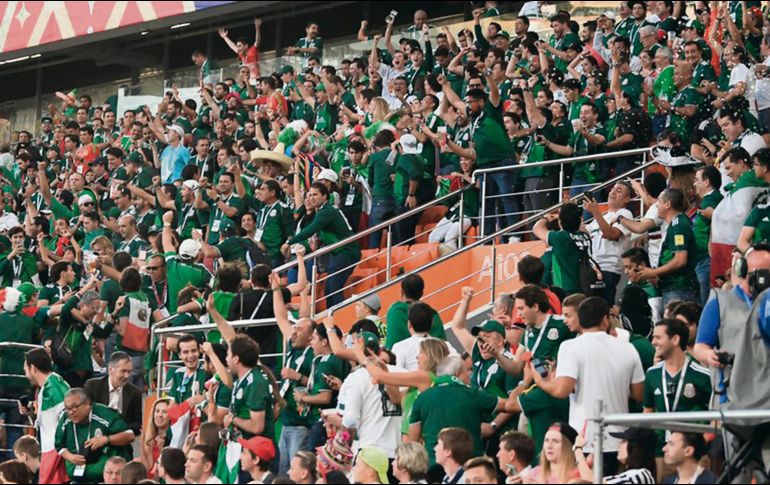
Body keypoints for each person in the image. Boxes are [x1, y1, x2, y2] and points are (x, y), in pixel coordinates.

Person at [534, 297, 644, 475]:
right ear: (605, 319)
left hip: (583, 442)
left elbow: (561, 390)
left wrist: (540, 381)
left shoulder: (570, 347)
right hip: (619, 441)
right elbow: (639, 394)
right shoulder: (628, 348)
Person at [408, 355, 506, 465]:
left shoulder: (421, 398)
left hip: (434, 466)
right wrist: (523, 384)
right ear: (458, 373)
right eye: (467, 371)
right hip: (471, 466)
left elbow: (413, 440)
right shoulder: (473, 394)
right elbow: (510, 406)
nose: (470, 374)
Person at [285, 182, 360, 308]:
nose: (311, 198)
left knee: (333, 287)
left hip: (347, 251)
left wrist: (289, 242)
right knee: (330, 288)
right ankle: (333, 316)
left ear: (325, 196)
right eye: (309, 195)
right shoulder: (323, 211)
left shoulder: (326, 211)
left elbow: (312, 229)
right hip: (339, 252)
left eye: (315, 195)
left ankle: (338, 315)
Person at [54, 388, 134, 483]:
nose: (71, 412)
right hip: (78, 474)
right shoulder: (66, 419)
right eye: (67, 408)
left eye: (74, 407)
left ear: (87, 404)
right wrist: (70, 457)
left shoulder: (105, 414)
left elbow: (130, 435)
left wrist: (106, 439)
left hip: (106, 477)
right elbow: (59, 446)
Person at [637, 188, 698, 306]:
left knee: (677, 324)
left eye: (659, 202)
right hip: (674, 287)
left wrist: (654, 272)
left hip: (680, 289)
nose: (656, 206)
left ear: (668, 204)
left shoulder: (678, 225)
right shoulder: (675, 224)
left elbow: (680, 260)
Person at [585, 182, 634, 305]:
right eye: (612, 189)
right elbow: (583, 232)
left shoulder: (625, 214)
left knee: (603, 309)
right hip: (592, 269)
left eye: (619, 191)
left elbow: (612, 234)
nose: (613, 192)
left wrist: (595, 212)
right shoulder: (601, 218)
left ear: (627, 199)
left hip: (608, 268)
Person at [533, 202, 591, 295]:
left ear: (560, 222)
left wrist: (546, 217)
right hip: (585, 286)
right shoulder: (585, 235)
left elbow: (537, 228)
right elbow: (581, 227)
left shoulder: (560, 237)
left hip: (567, 289)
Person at [84, 351, 143, 437]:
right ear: (111, 370)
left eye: (129, 372)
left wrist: (118, 433)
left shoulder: (135, 392)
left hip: (121, 441)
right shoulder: (93, 387)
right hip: (94, 437)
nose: (127, 376)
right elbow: (85, 414)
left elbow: (137, 423)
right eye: (123, 371)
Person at [384, 274, 446, 349]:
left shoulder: (394, 312)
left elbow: (390, 345)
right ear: (421, 293)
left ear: (402, 292)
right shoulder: (432, 313)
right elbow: (442, 346)